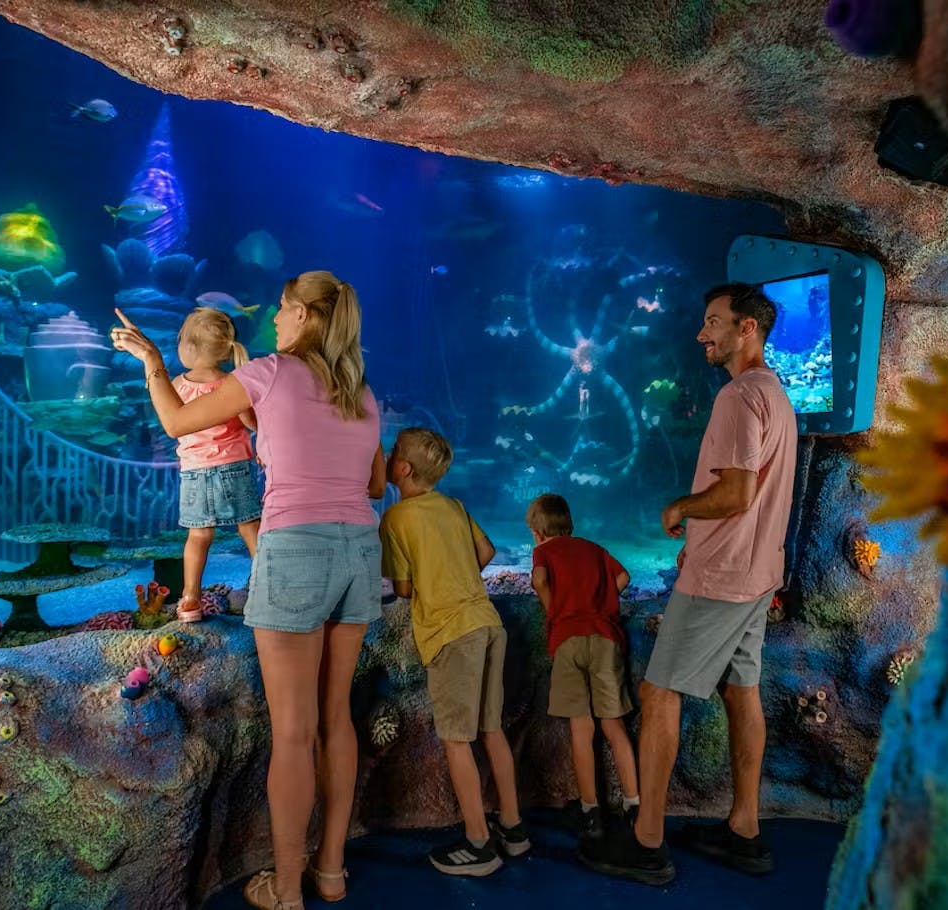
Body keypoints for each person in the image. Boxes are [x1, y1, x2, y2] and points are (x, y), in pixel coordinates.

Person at [111, 271, 387, 910]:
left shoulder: (269, 372)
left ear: (303, 316)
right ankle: (332, 873)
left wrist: (154, 360)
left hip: (295, 549)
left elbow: (180, 422)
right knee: (335, 719)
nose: (277, 324)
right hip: (357, 549)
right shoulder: (360, 390)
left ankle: (286, 889)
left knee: (293, 731)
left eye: (285, 312)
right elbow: (374, 485)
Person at [579, 282, 798, 886]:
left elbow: (735, 493)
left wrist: (682, 507)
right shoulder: (777, 395)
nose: (702, 334)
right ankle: (744, 830)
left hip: (721, 577)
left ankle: (647, 841)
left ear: (746, 328)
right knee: (741, 690)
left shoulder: (737, 397)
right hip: (758, 573)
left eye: (713, 322)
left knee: (658, 693)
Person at [379, 427, 529, 876]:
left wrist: (429, 580)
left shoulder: (396, 518)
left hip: (449, 633)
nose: (386, 457)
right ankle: (514, 830)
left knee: (457, 740)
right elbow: (487, 550)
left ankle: (479, 844)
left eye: (392, 453)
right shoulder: (454, 505)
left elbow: (404, 588)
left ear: (402, 469)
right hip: (486, 622)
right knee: (492, 730)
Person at [526, 493, 640, 840]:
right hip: (605, 638)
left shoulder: (543, 551)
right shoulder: (593, 548)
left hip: (567, 638)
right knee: (613, 724)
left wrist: (553, 609)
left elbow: (539, 581)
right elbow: (624, 577)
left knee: (581, 727)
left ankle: (591, 812)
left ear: (538, 531)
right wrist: (603, 603)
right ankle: (635, 805)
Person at [169, 307, 261, 622]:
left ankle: (191, 598)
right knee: (250, 527)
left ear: (189, 347)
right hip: (233, 466)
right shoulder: (233, 383)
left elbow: (170, 419)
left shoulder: (176, 386)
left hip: (194, 471)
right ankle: (268, 586)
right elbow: (252, 423)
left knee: (198, 536)